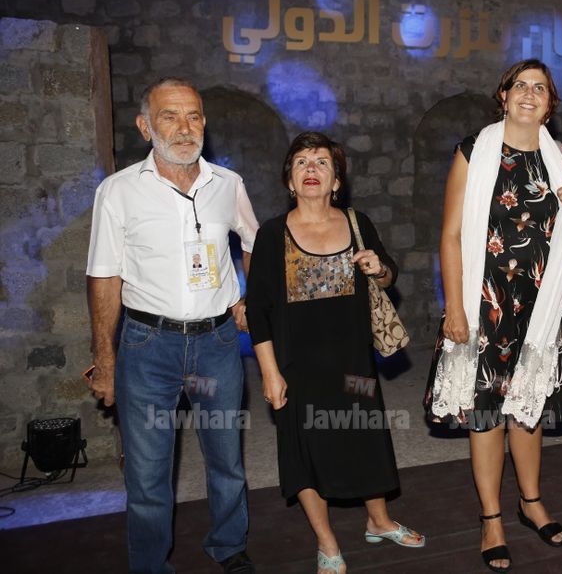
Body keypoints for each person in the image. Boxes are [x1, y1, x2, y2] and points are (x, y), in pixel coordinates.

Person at [424, 59, 562, 572]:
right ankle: (492, 518)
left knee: (528, 406)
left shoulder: (561, 157)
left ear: (550, 105)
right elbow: (450, 235)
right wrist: (455, 308)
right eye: (520, 84)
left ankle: (531, 501)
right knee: (485, 412)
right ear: (503, 96)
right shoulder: (473, 152)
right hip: (484, 303)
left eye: (540, 88)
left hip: (541, 306)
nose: (529, 93)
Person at [86, 77, 258, 573]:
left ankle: (229, 545)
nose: (185, 128)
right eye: (170, 116)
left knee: (226, 460)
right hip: (147, 346)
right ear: (145, 126)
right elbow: (104, 277)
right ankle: (150, 564)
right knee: (147, 474)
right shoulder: (117, 191)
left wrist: (251, 298)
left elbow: (254, 243)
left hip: (217, 345)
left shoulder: (228, 184)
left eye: (194, 116)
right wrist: (104, 360)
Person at [245, 132, 423, 574]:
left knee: (366, 438)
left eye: (322, 162)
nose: (311, 169)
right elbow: (259, 311)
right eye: (302, 162)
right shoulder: (272, 234)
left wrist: (379, 269)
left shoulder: (357, 222)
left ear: (336, 181)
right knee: (304, 452)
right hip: (297, 367)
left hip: (352, 361)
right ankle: (326, 542)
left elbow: (388, 274)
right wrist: (270, 372)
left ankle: (379, 521)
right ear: (290, 181)